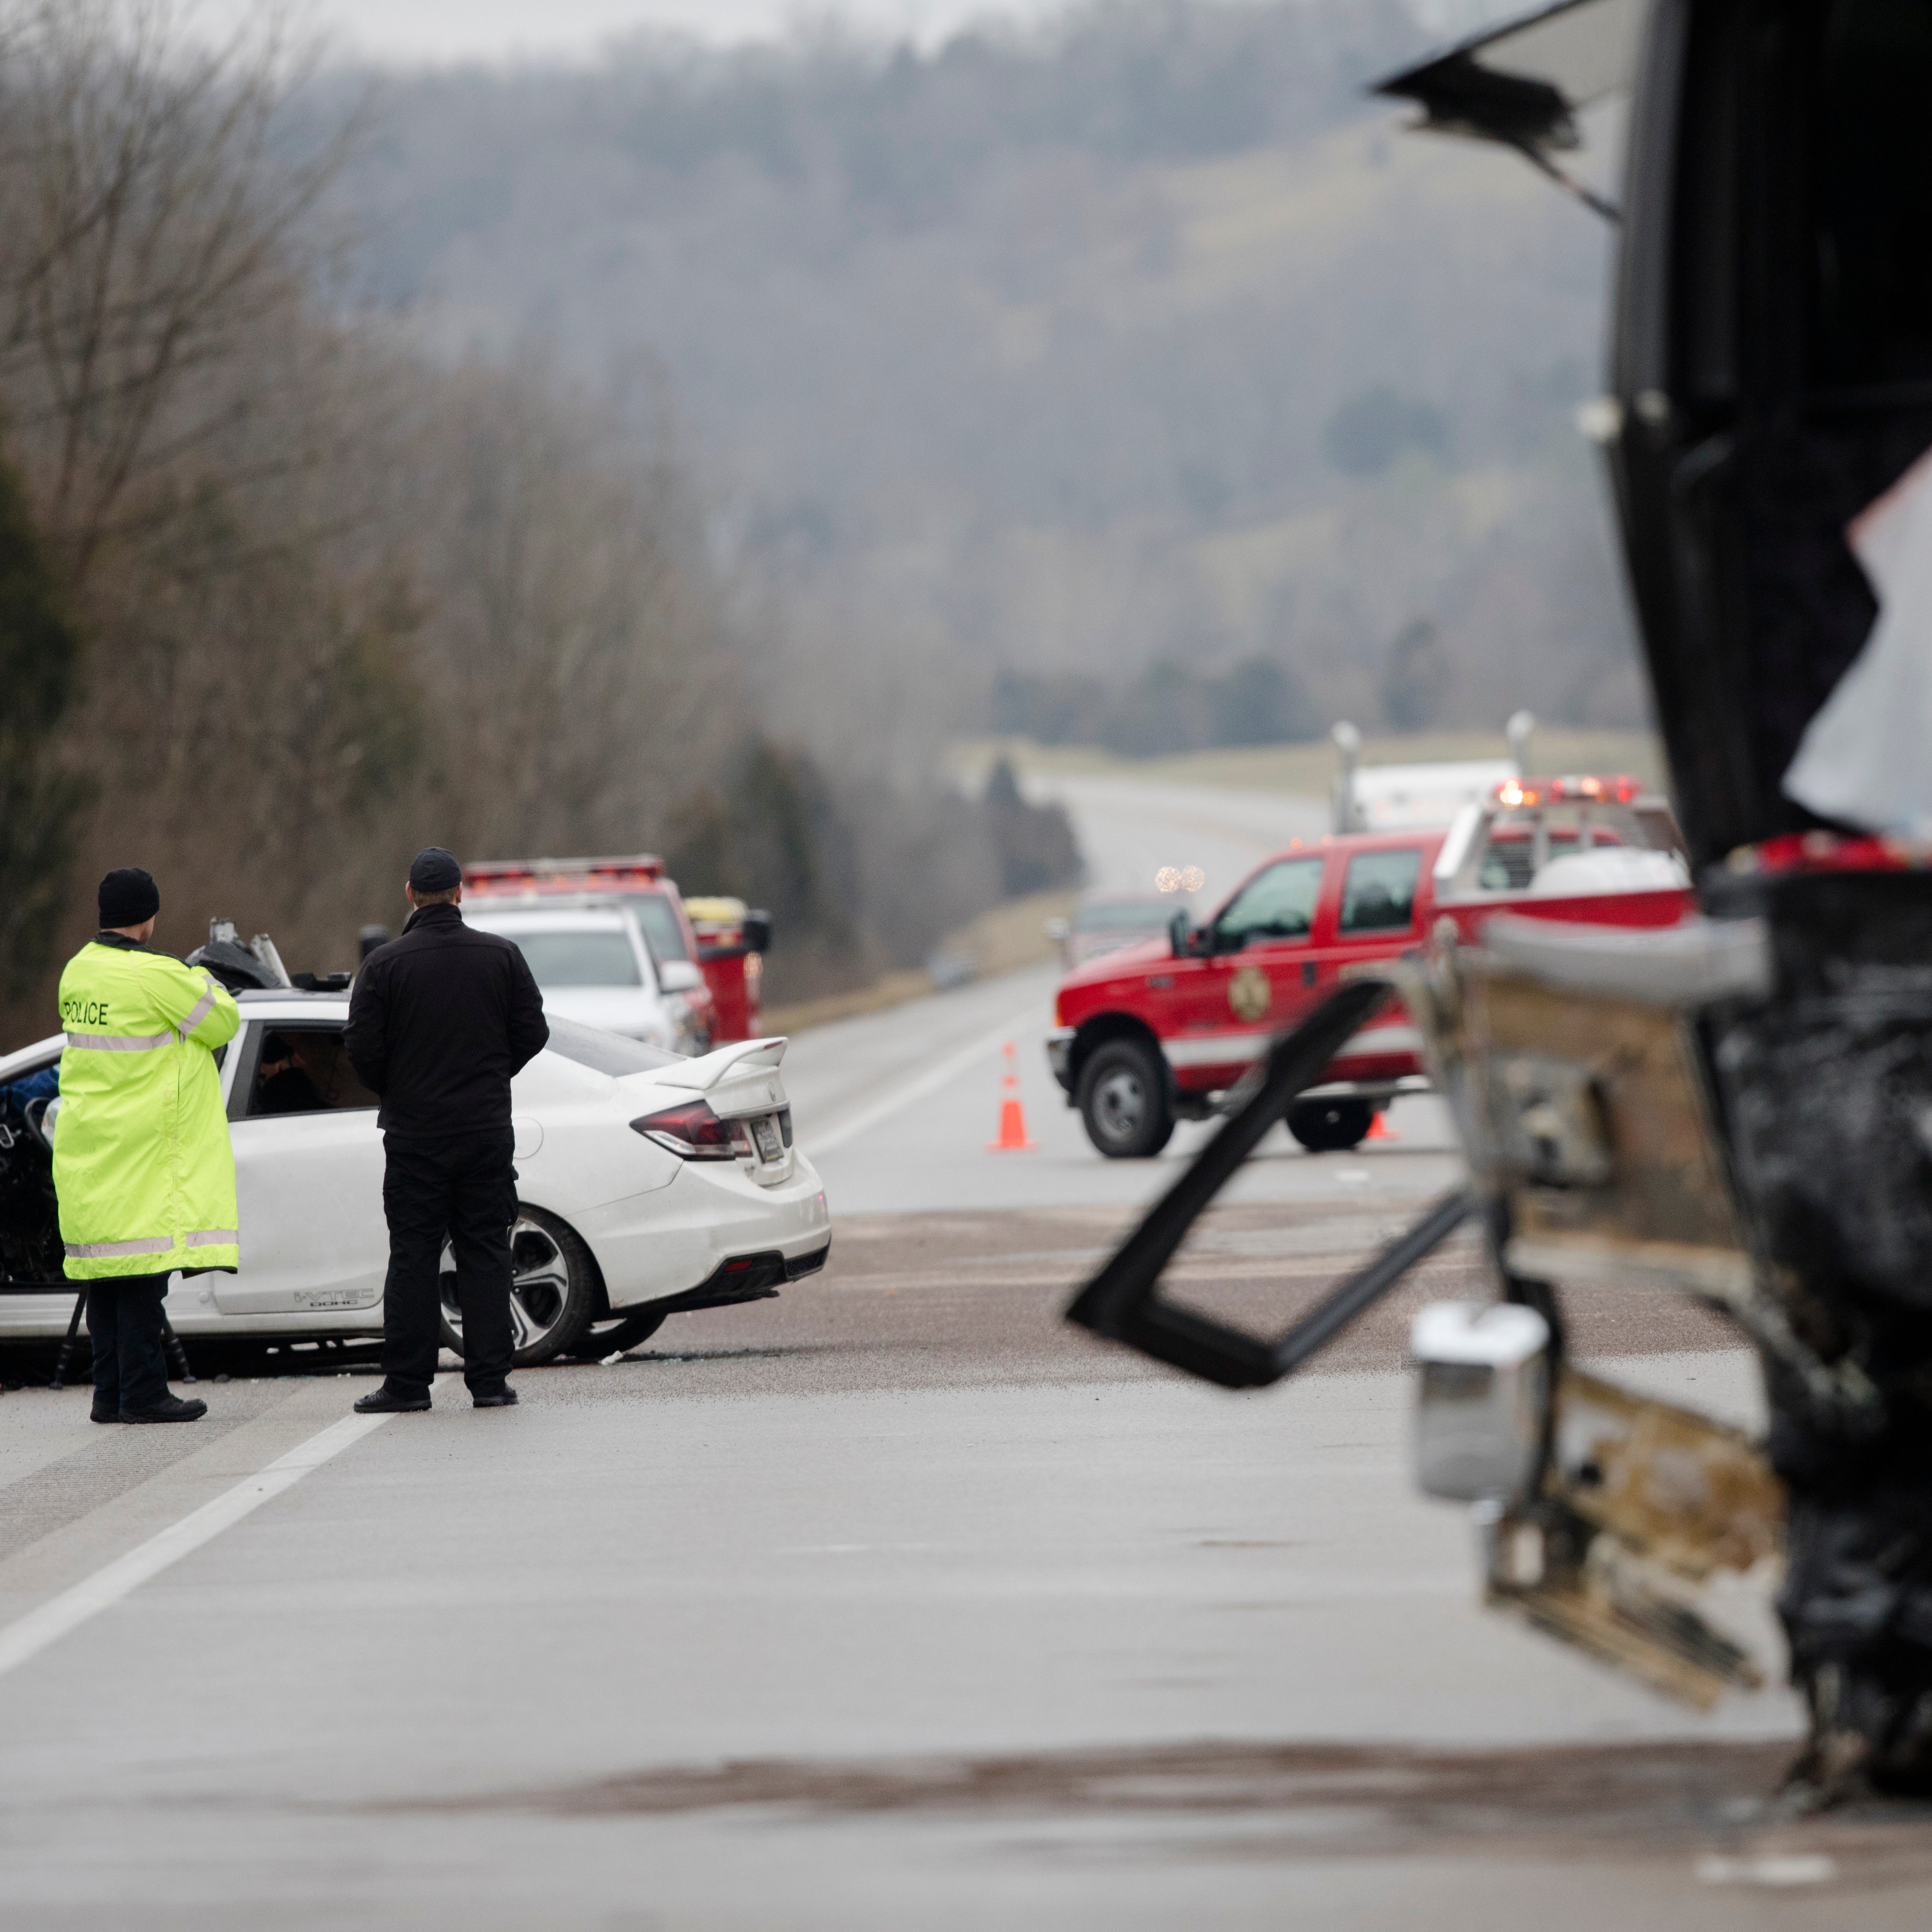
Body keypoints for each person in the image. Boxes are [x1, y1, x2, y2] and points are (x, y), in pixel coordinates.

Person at [344, 846, 548, 1413]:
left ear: (409, 895)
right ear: (460, 894)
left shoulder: (384, 966)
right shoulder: (500, 957)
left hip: (414, 1136)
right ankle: (490, 1381)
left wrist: (400, 1088)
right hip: (484, 1129)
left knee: (413, 1254)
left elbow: (360, 1048)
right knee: (485, 1251)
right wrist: (492, 1073)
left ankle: (408, 1385)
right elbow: (533, 1031)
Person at [53, 868, 238, 1424]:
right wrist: (203, 977)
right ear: (148, 917)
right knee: (141, 1283)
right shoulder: (155, 975)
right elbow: (223, 1020)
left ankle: (108, 1395)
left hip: (92, 1149)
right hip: (143, 1153)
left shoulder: (78, 971)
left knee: (106, 1287)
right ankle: (144, 1394)